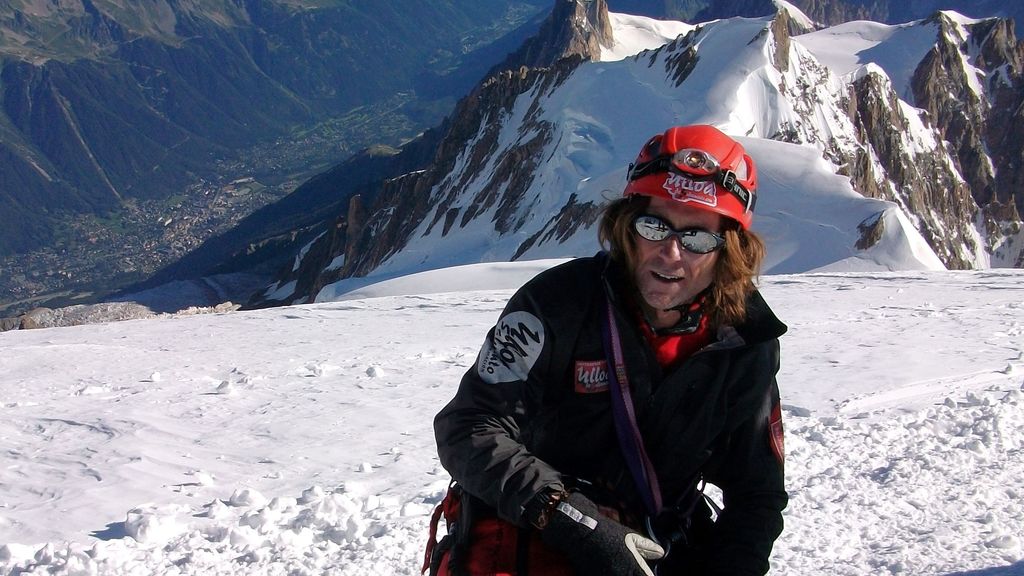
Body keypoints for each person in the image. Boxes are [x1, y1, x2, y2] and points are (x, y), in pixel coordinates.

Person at [430, 125, 788, 575]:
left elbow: (757, 493)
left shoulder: (743, 342)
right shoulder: (556, 305)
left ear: (728, 249)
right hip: (535, 528)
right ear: (626, 226)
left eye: (697, 237)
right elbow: (468, 426)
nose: (671, 254)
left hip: (658, 545)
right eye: (654, 226)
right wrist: (571, 520)